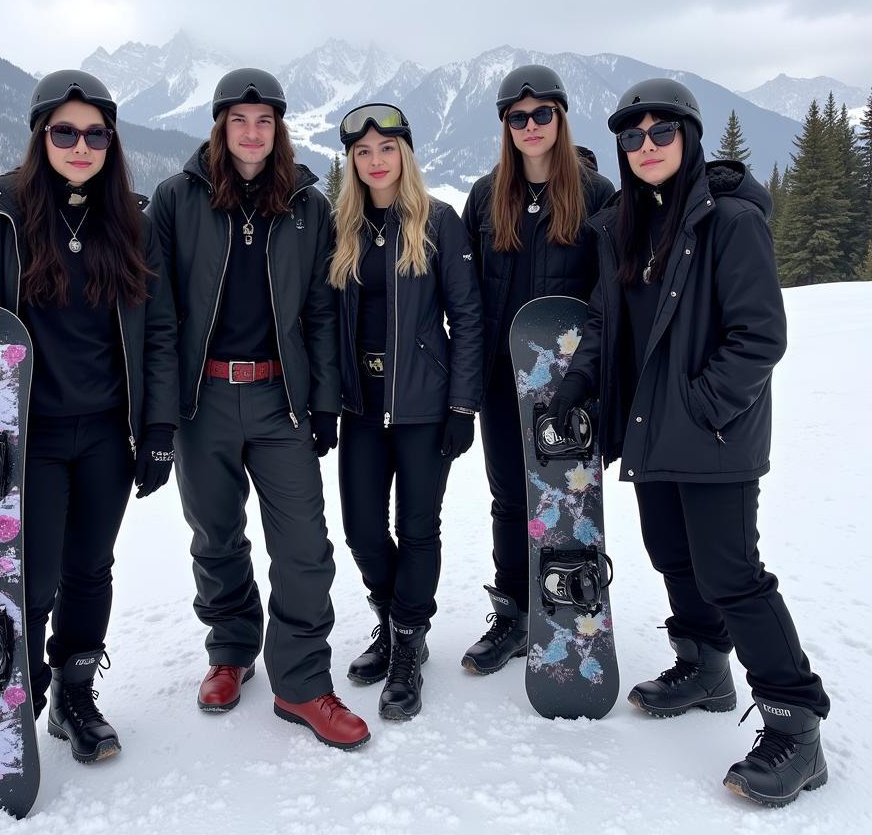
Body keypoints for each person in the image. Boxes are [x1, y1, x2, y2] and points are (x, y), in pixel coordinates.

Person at [547, 78, 829, 806]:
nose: (646, 146)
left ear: (689, 138)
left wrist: (703, 409)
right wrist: (579, 382)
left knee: (732, 573)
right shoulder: (622, 225)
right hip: (651, 429)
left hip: (711, 434)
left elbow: (759, 336)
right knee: (672, 555)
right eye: (632, 137)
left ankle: (796, 729)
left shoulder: (729, 222)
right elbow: (610, 323)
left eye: (660, 132)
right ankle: (703, 665)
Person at [0, 69, 179, 763]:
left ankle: (75, 697)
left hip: (108, 434)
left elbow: (160, 334)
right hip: (27, 436)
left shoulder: (132, 221)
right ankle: (10, 695)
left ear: (111, 141)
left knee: (92, 568)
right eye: (65, 131)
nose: (80, 144)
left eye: (95, 133)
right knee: (30, 576)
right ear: (40, 135)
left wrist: (159, 432)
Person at [148, 68, 369, 750]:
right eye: (239, 120)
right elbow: (158, 316)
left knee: (304, 548)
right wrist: (159, 416)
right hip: (203, 399)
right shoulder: (177, 199)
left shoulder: (306, 204)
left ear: (279, 129)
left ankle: (301, 683)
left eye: (264, 121)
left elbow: (323, 312)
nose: (252, 133)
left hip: (281, 399)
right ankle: (232, 648)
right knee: (216, 536)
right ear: (220, 127)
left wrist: (325, 401)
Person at [459, 65, 614, 675]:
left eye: (541, 114)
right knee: (508, 497)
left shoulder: (595, 194)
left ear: (561, 116)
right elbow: (468, 297)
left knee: (570, 500)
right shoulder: (484, 194)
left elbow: (608, 296)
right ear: (505, 125)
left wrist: (593, 373)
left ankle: (573, 601)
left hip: (569, 379)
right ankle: (515, 613)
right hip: (505, 376)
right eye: (517, 117)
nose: (530, 126)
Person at [329, 103, 482, 720]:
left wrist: (462, 403)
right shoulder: (343, 226)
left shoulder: (438, 222)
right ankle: (395, 623)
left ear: (406, 154)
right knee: (364, 529)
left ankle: (406, 644)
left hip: (423, 407)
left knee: (418, 529)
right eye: (362, 153)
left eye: (386, 150)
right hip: (360, 407)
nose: (374, 162)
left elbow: (468, 317)